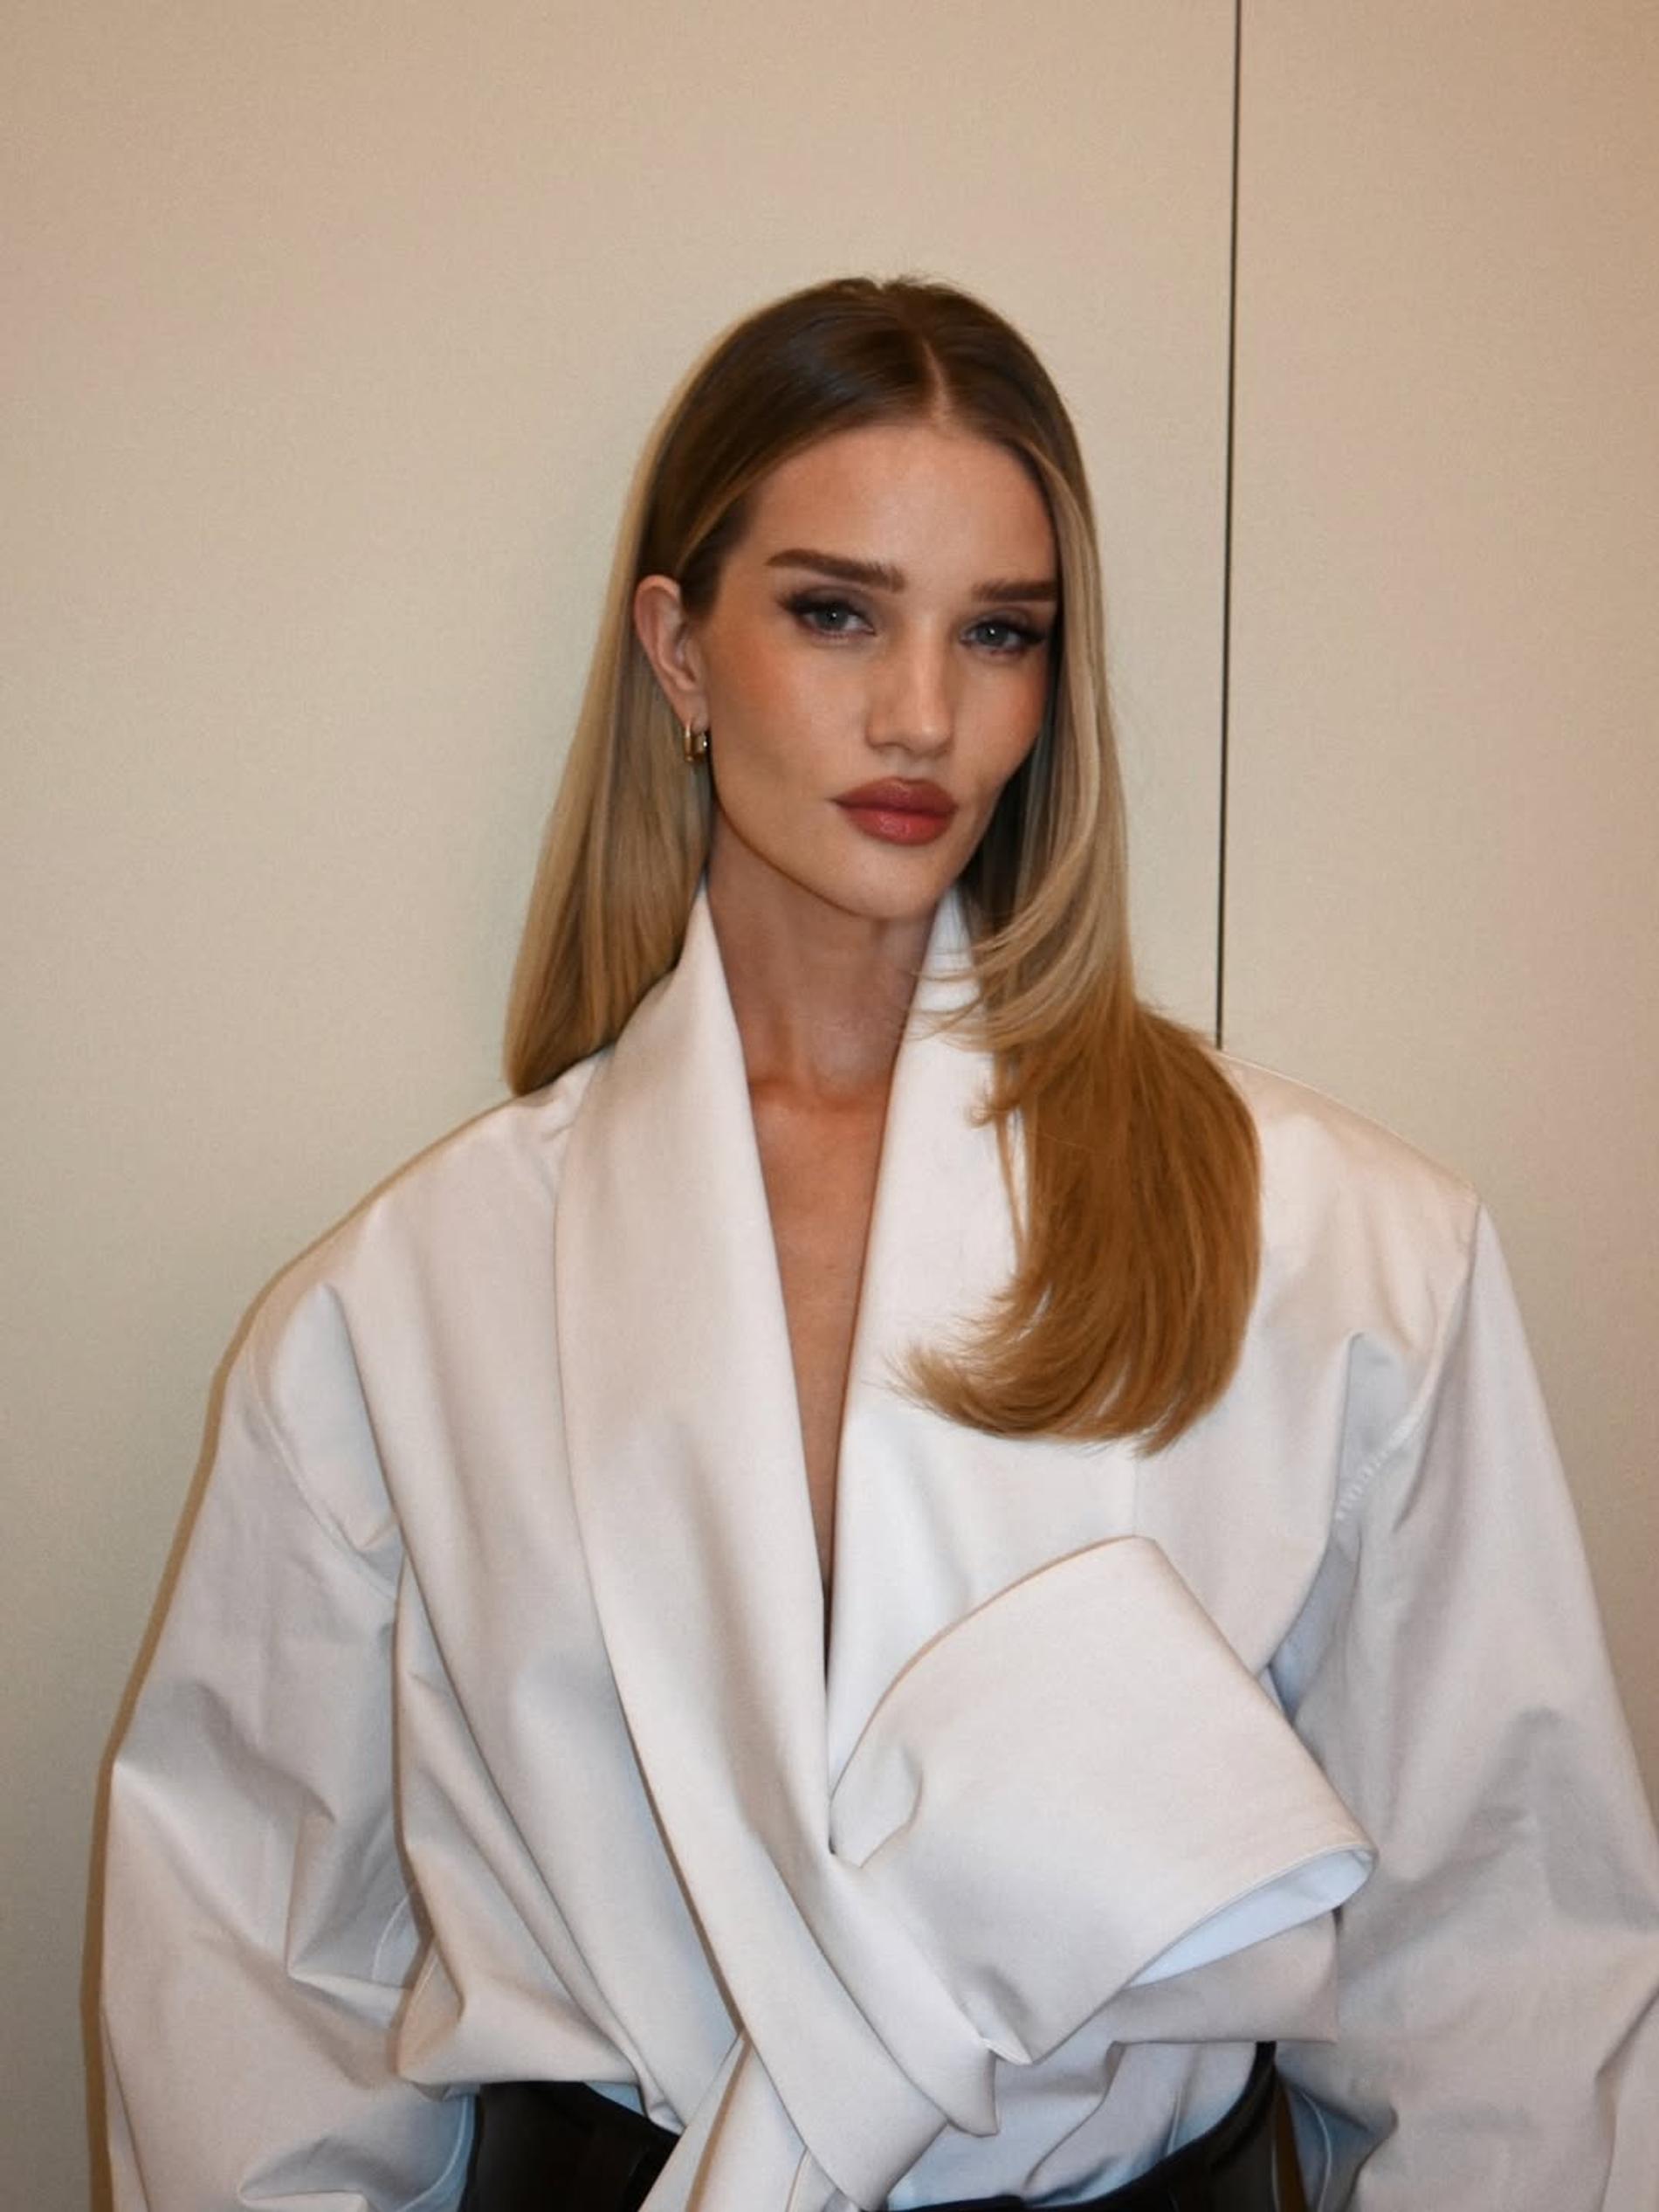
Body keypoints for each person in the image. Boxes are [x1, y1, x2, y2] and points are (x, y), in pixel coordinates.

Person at [100, 276, 1659, 2212]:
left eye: (998, 631)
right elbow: (253, 1999)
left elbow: (1499, 1974)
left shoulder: (1338, 1252)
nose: (923, 712)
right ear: (678, 649)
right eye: (835, 611)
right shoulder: (399, 1309)